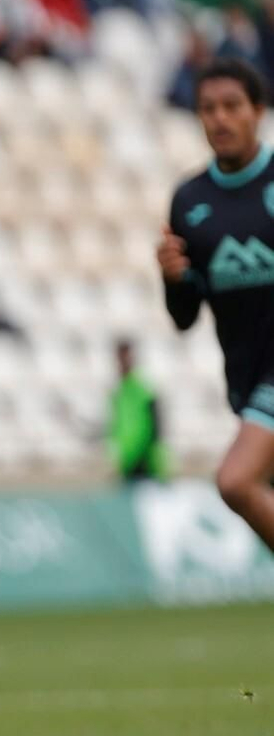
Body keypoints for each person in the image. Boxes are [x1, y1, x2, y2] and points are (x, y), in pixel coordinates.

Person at [157, 59, 274, 552]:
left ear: (258, 112)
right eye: (208, 109)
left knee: (236, 481)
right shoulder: (190, 200)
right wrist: (174, 279)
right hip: (246, 379)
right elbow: (185, 316)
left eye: (232, 106)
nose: (220, 119)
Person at [108, 339, 168, 482]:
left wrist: (152, 456)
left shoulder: (142, 388)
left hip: (145, 461)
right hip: (128, 462)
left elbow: (156, 427)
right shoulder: (119, 391)